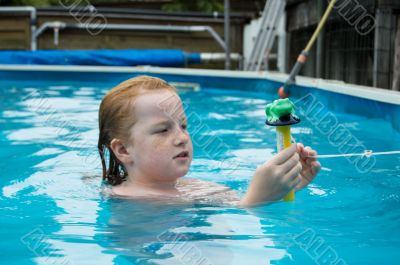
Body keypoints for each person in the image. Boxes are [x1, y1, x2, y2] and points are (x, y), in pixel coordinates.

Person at [98, 76, 321, 207]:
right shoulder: (127, 203)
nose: (181, 137)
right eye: (163, 130)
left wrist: (284, 186)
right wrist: (253, 202)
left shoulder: (197, 188)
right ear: (124, 150)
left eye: (183, 126)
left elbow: (241, 206)